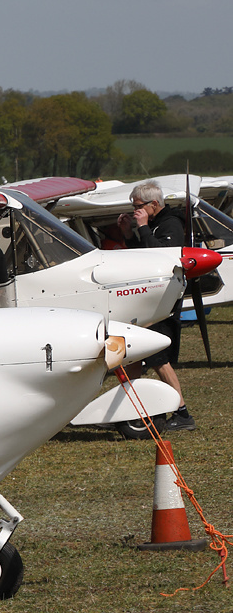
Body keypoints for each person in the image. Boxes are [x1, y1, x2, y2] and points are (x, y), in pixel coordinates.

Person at [117, 180, 195, 435]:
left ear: (154, 204)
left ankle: (182, 413)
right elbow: (142, 256)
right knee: (134, 352)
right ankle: (128, 407)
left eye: (138, 206)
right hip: (150, 298)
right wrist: (131, 233)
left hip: (163, 300)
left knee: (158, 358)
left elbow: (161, 256)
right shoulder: (152, 224)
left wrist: (142, 227)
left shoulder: (171, 224)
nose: (135, 210)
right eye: (132, 207)